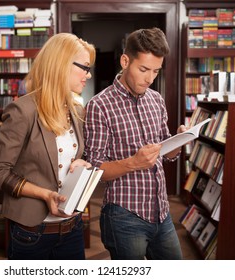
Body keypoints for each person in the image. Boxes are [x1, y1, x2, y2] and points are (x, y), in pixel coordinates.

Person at [0, 33, 96, 260]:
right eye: (84, 67)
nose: (89, 74)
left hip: (72, 227)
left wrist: (80, 163)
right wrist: (44, 194)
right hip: (32, 233)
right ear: (61, 65)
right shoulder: (23, 111)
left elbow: (67, 158)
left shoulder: (77, 111)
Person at [83, 27, 186, 260]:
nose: (150, 78)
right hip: (124, 217)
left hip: (162, 212)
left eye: (156, 71)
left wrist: (179, 142)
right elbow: (94, 170)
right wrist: (133, 163)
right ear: (125, 60)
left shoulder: (156, 100)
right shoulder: (99, 105)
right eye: (143, 69)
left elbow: (167, 155)